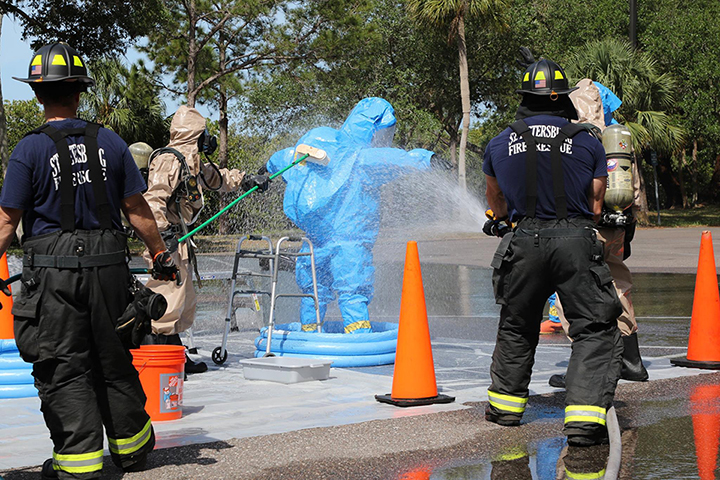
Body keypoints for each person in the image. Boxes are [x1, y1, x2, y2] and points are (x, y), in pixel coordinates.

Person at [0, 42, 178, 479]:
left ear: (38, 95)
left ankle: (78, 465)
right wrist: (160, 255)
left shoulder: (30, 150)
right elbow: (137, 210)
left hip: (53, 281)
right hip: (110, 273)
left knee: (63, 364)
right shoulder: (112, 142)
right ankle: (132, 452)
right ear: (80, 92)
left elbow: (7, 220)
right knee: (114, 355)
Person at [482, 58, 623, 446]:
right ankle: (582, 423)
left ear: (525, 98)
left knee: (517, 324)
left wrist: (506, 218)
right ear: (563, 99)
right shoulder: (587, 140)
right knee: (593, 328)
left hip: (523, 241)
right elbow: (595, 206)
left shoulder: (499, 141)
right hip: (575, 241)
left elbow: (496, 202)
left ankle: (506, 410)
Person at [266, 97, 447, 334]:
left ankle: (309, 335)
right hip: (349, 241)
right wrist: (429, 160)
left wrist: (264, 171)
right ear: (375, 129)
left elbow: (283, 158)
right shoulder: (362, 159)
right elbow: (399, 159)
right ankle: (359, 338)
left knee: (313, 292)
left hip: (313, 240)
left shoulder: (321, 143)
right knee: (352, 291)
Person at [142, 105, 269, 372]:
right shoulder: (169, 160)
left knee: (181, 303)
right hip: (166, 243)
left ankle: (176, 358)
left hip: (179, 240)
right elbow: (153, 200)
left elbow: (217, 179)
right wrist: (161, 239)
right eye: (204, 133)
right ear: (194, 134)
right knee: (165, 302)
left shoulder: (191, 162)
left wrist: (245, 180)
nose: (207, 139)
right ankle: (160, 365)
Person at [547, 78, 649, 387]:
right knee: (617, 285)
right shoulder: (617, 139)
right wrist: (628, 228)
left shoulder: (573, 138)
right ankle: (631, 361)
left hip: (584, 227)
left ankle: (582, 369)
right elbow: (636, 190)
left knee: (571, 294)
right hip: (618, 225)